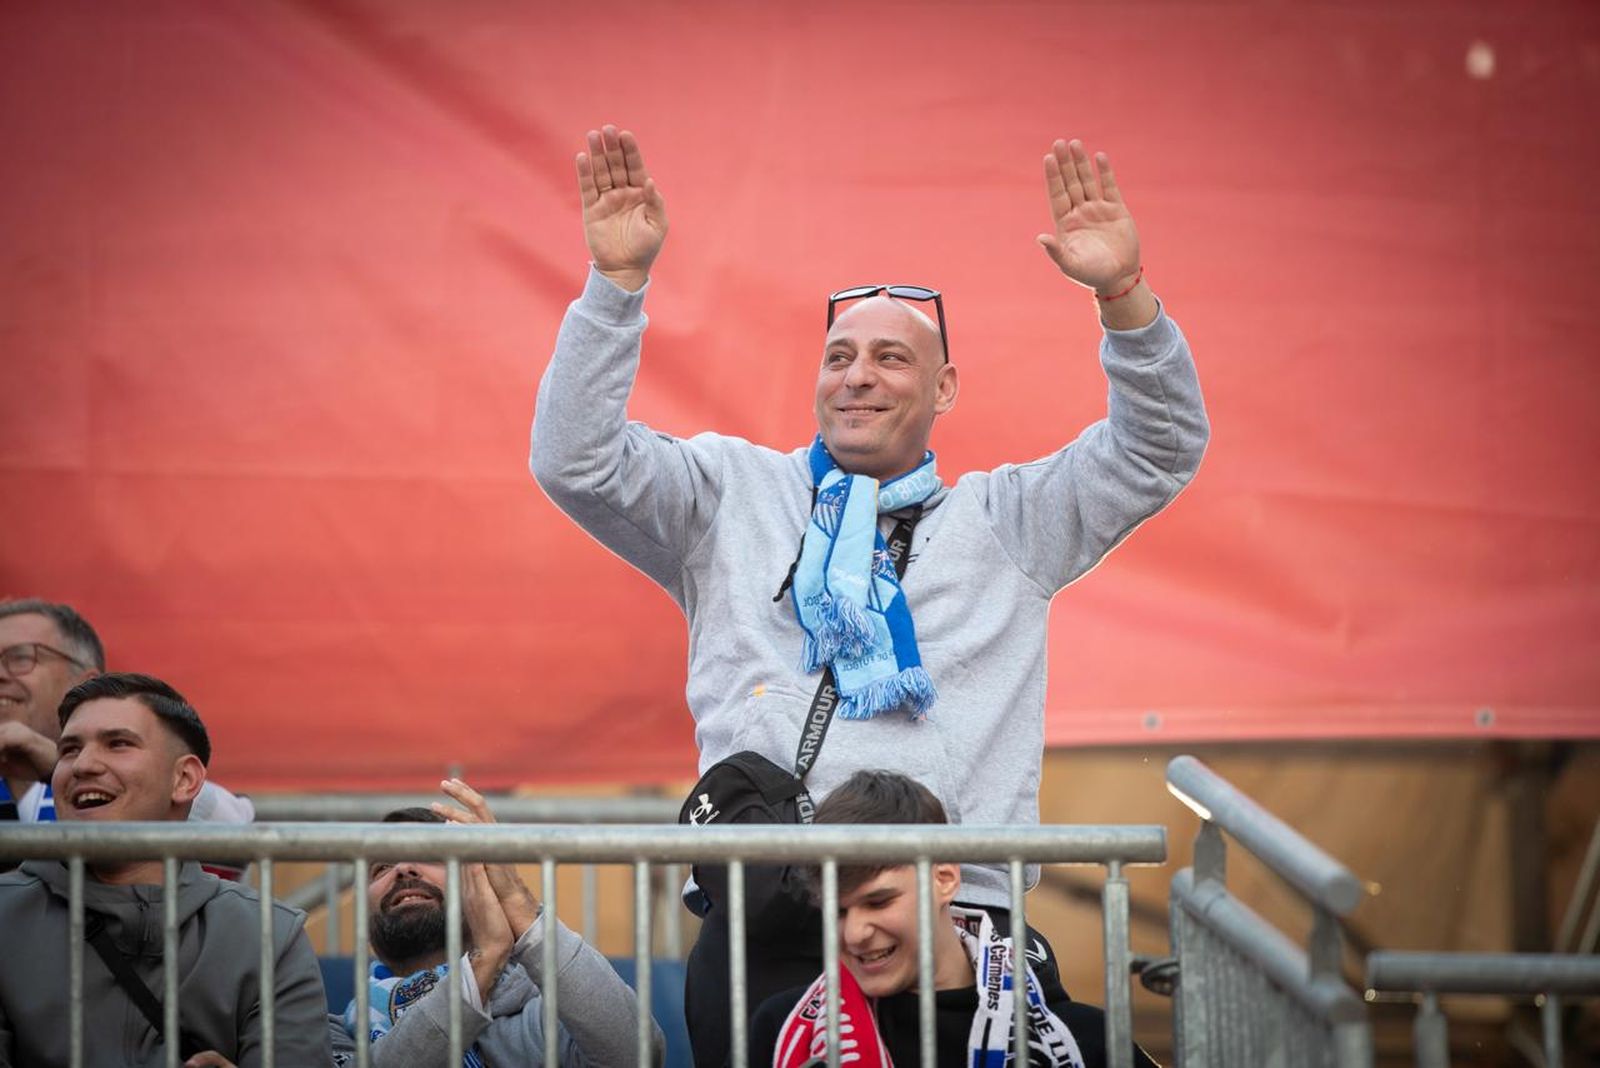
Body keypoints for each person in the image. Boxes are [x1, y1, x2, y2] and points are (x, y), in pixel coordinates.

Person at [529, 124, 1208, 1065]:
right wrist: (616, 289)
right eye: (840, 355)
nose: (858, 375)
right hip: (768, 907)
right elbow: (574, 460)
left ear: (946, 388)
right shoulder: (732, 494)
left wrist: (1123, 298)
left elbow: (1158, 449)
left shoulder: (1008, 520)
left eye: (892, 358)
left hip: (959, 913)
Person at [0, 673, 332, 1068]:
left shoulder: (269, 935)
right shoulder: (5, 916)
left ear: (184, 779)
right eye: (69, 749)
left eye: (118, 744)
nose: (83, 765)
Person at [750, 770, 1158, 1068]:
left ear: (944, 879)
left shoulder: (1089, 1043)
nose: (854, 933)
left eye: (878, 902)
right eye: (837, 911)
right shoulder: (779, 1027)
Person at [330, 778, 664, 1066]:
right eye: (381, 868)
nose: (403, 868)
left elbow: (638, 1056)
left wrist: (517, 902)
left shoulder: (540, 1015)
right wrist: (482, 963)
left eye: (428, 853)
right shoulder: (338, 1030)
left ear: (479, 877)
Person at [0, 599, 255, 877]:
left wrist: (54, 765)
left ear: (84, 681)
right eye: (71, 750)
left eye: (20, 658)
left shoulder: (119, 768)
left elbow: (237, 837)